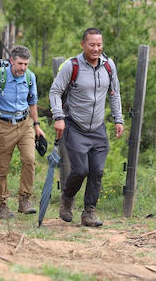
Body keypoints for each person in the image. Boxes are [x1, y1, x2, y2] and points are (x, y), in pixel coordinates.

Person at [49, 28, 124, 227]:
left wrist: (118, 119)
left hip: (98, 128)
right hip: (74, 125)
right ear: (83, 44)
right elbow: (55, 91)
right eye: (92, 44)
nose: (96, 48)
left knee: (97, 171)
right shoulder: (72, 66)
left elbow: (114, 93)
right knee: (81, 169)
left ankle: (89, 212)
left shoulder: (108, 66)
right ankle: (67, 197)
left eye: (99, 45)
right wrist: (58, 117)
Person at [0, 45, 45, 219]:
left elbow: (33, 101)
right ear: (12, 62)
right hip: (3, 125)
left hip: (25, 125)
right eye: (20, 64)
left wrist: (37, 125)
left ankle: (25, 200)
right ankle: (1, 205)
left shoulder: (30, 77)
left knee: (29, 160)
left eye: (26, 64)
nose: (23, 68)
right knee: (2, 168)